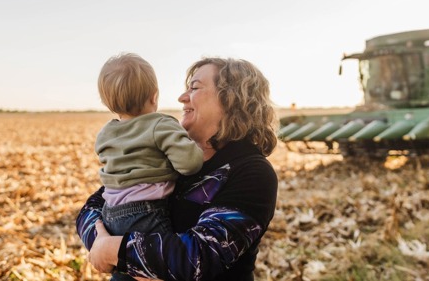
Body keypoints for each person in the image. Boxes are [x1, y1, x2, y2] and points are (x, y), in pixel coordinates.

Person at [76, 56, 279, 281]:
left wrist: (116, 251)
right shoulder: (165, 154)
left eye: (194, 87)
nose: (182, 97)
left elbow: (200, 256)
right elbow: (92, 208)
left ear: (232, 98)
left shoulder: (252, 172)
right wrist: (102, 244)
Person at [91, 52, 204, 280]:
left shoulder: (105, 134)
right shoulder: (160, 124)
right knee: (164, 270)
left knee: (125, 272)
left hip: (111, 213)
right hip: (145, 213)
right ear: (154, 96)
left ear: (108, 103)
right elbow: (190, 164)